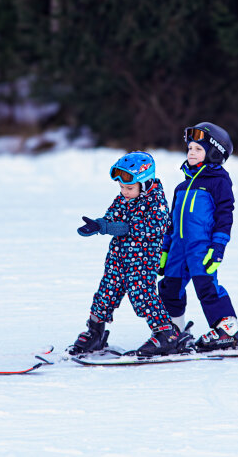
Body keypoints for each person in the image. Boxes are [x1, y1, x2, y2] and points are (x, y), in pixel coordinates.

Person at [69, 152, 191, 357]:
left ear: (145, 183)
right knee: (106, 293)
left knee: (142, 295)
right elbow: (112, 218)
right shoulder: (122, 199)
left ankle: (166, 334)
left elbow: (150, 228)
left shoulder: (157, 202)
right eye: (121, 187)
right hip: (117, 258)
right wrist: (99, 225)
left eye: (129, 188)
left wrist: (115, 228)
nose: (124, 192)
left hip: (142, 261)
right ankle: (95, 332)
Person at [158, 122, 238, 351]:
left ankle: (227, 328)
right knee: (169, 287)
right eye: (189, 148)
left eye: (198, 149)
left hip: (202, 247)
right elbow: (171, 222)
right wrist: (164, 249)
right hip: (177, 249)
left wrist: (218, 246)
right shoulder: (181, 187)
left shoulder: (218, 182)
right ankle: (173, 332)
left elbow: (225, 216)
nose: (191, 153)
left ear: (214, 152)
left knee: (206, 286)